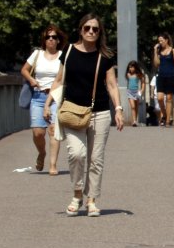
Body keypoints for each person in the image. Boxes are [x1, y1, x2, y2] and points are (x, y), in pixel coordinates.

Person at [45, 14, 125, 217]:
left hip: (99, 113)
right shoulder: (69, 51)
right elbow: (59, 80)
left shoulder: (105, 56)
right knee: (76, 154)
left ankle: (92, 200)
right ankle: (77, 193)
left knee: (96, 159)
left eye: (95, 29)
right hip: (72, 112)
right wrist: (48, 105)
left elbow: (112, 85)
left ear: (100, 33)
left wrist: (118, 109)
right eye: (87, 28)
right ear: (80, 30)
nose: (91, 32)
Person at [21, 25, 67, 174]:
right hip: (38, 96)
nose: (51, 40)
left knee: (53, 130)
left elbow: (62, 78)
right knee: (38, 133)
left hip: (55, 97)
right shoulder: (37, 54)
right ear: (44, 40)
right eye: (48, 37)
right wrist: (31, 80)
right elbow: (24, 70)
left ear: (58, 40)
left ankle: (53, 165)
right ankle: (41, 152)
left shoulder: (63, 56)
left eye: (54, 37)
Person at [151, 33, 174, 126]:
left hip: (171, 76)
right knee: (160, 98)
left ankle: (168, 120)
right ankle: (164, 115)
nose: (160, 43)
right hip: (161, 76)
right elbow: (156, 64)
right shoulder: (159, 51)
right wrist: (155, 51)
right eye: (159, 41)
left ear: (166, 40)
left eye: (161, 40)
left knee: (169, 98)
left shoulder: (173, 51)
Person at [124, 60, 145, 127]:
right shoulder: (128, 74)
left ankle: (135, 120)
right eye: (129, 67)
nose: (131, 69)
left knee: (136, 107)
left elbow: (143, 82)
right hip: (130, 92)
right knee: (132, 106)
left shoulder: (138, 74)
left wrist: (141, 90)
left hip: (137, 92)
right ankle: (134, 121)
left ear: (135, 67)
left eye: (132, 67)